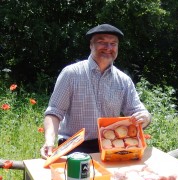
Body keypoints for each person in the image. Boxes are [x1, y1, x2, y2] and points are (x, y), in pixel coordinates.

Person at [41, 23, 151, 158]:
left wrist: (145, 117)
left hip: (110, 147)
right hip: (74, 147)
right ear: (91, 45)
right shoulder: (71, 73)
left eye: (113, 43)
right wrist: (49, 141)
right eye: (102, 42)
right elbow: (54, 112)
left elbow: (137, 111)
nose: (108, 48)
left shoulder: (124, 80)